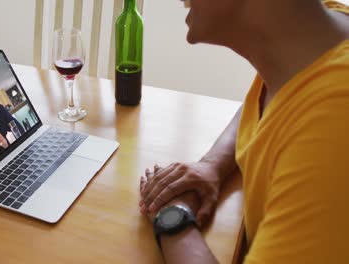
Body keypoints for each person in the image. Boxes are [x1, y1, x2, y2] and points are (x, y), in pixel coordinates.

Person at [139, 0, 349, 263]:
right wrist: (211, 165)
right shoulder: (312, 41)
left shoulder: (335, 119)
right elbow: (272, 97)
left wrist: (173, 219)